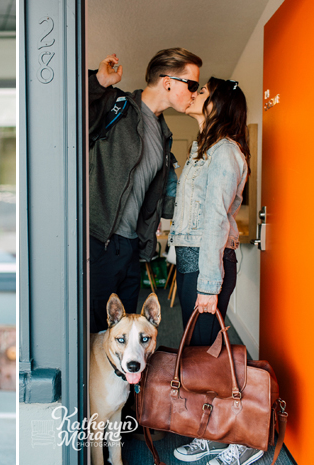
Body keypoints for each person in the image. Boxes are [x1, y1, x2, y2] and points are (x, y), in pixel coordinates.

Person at [168, 78, 257, 465]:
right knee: (201, 353)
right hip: (195, 261)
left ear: (218, 106)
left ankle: (241, 437)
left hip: (210, 264)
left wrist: (208, 283)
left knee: (209, 355)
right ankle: (209, 429)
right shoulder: (203, 149)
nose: (194, 94)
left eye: (201, 92)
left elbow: (215, 222)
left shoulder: (224, 152)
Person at [88, 48, 202, 333]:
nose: (193, 93)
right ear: (167, 82)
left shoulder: (163, 134)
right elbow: (71, 116)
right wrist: (98, 82)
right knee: (95, 334)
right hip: (98, 238)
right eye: (192, 85)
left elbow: (160, 194)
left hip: (129, 247)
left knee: (125, 335)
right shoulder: (118, 106)